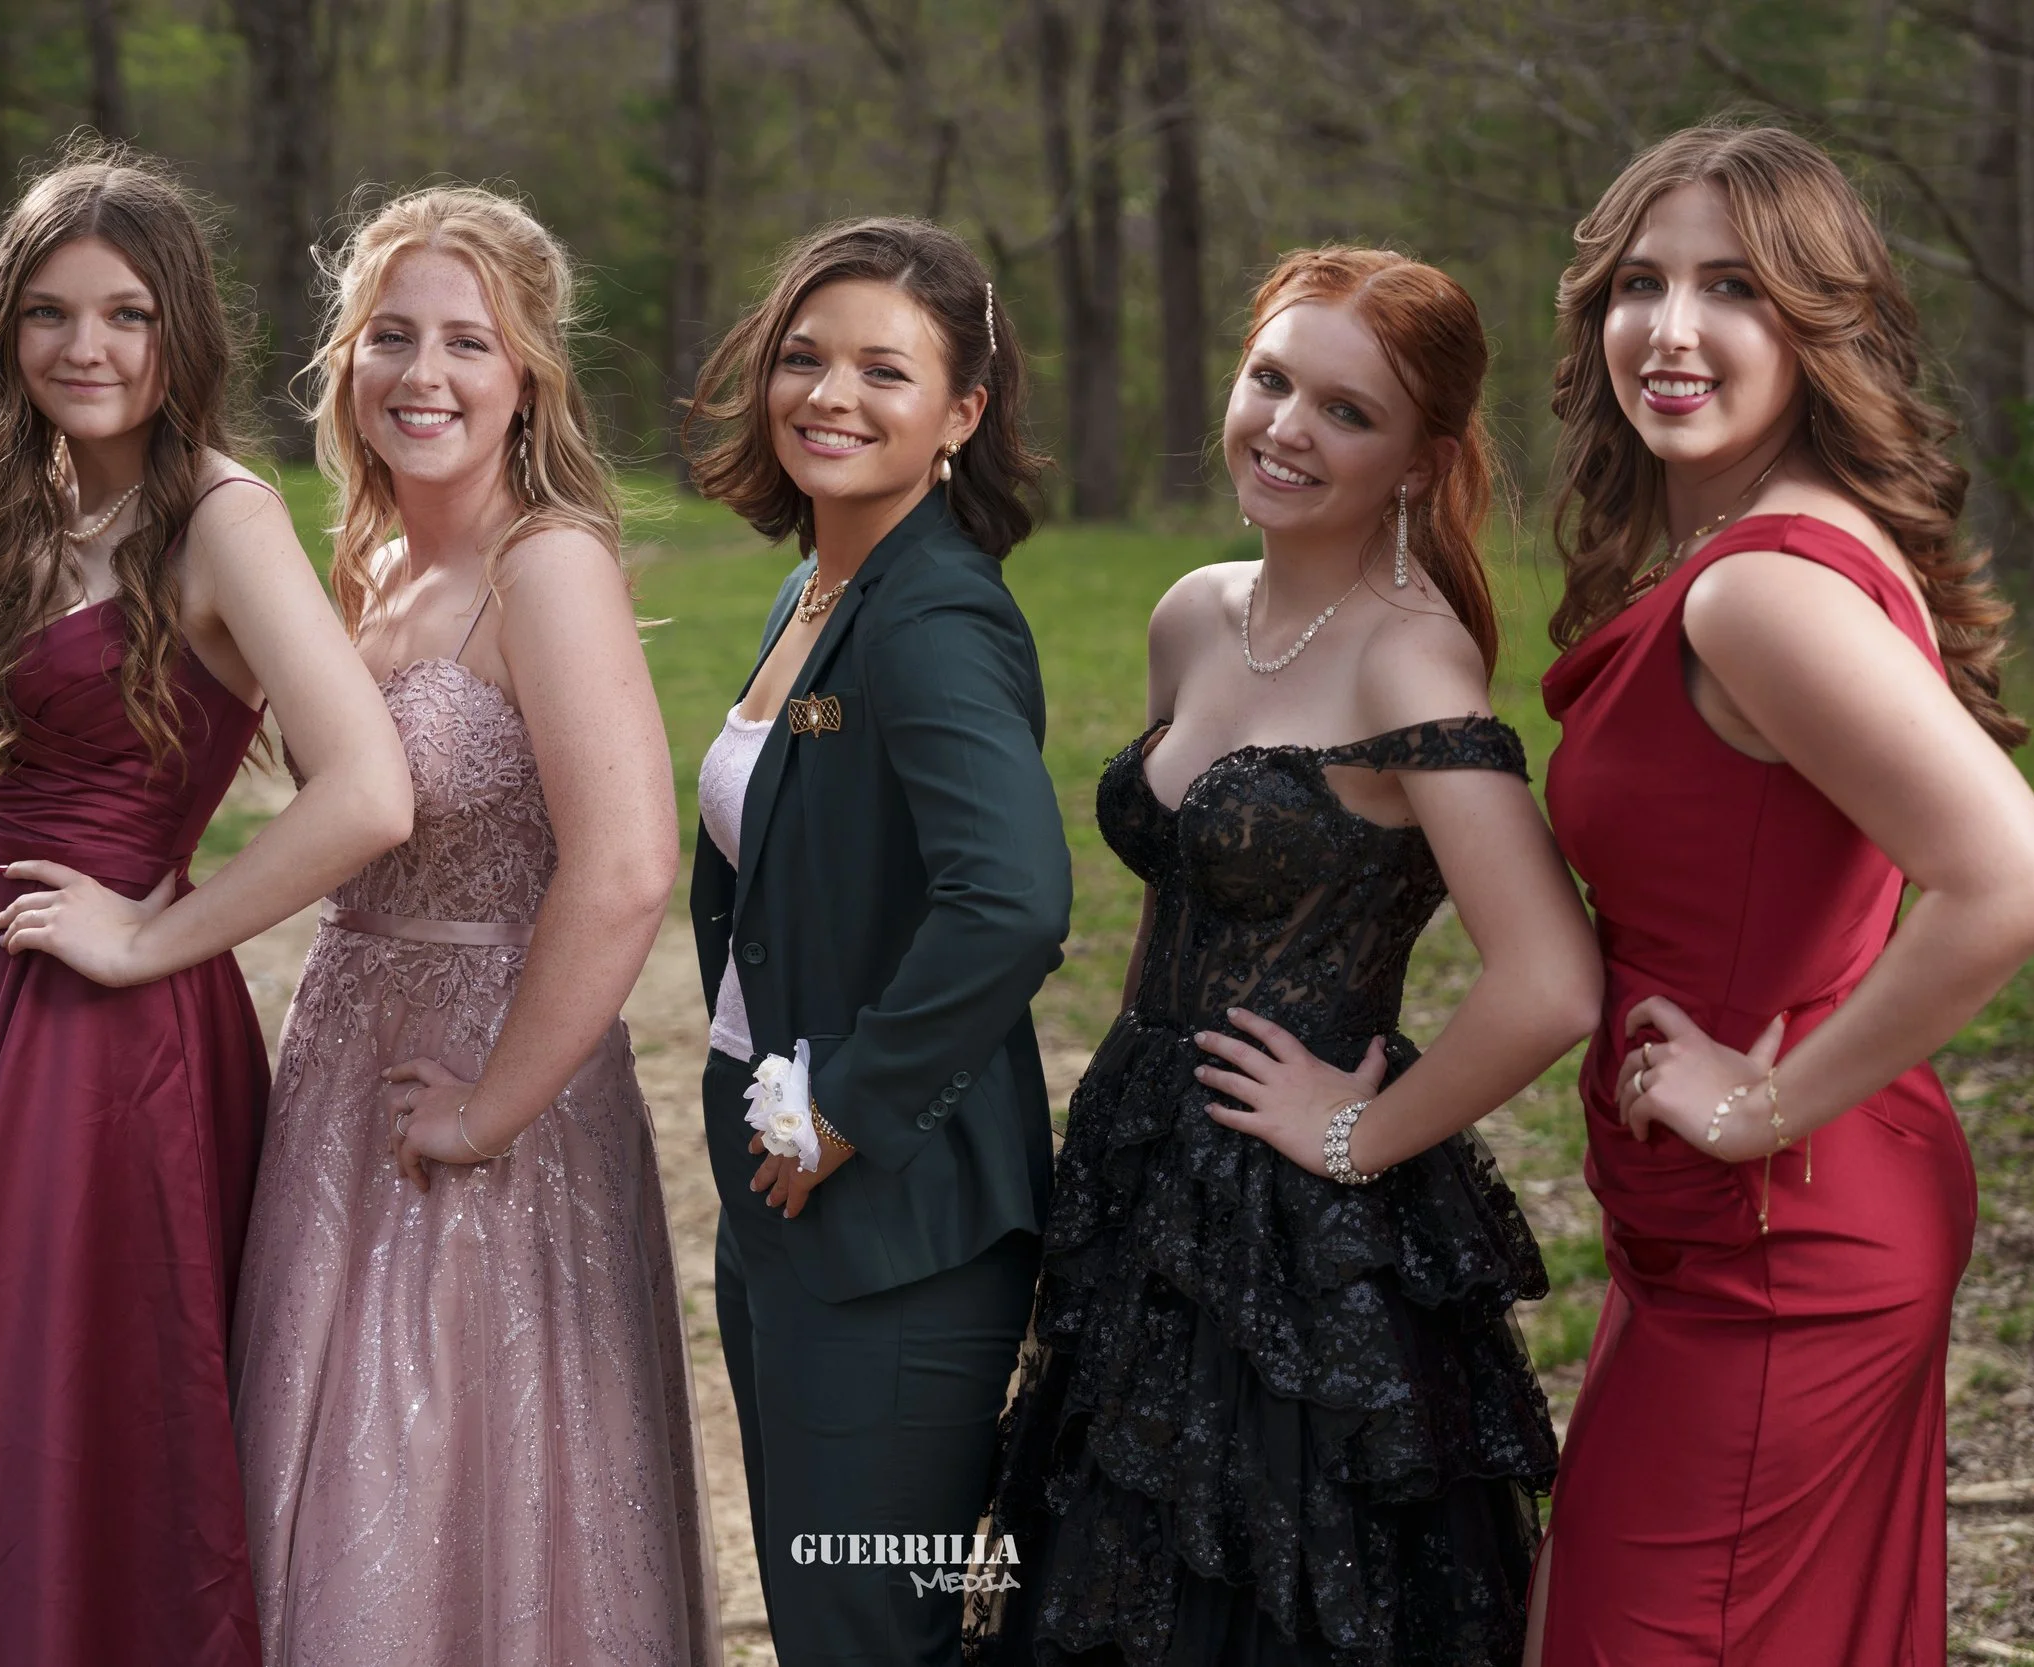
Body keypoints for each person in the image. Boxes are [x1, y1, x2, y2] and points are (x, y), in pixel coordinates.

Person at [0, 145, 413, 1667]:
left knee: (38, 1406)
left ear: (181, 332)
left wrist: (147, 933)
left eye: (125, 313)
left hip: (101, 1038)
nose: (86, 349)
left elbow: (368, 791)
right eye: (50, 313)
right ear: (6, 330)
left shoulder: (223, 524)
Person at [971, 247, 1600, 1666]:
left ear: (1423, 461)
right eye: (1271, 380)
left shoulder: (1408, 663)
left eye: (1346, 411)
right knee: (1103, 1564)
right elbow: (1181, 872)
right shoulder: (1195, 610)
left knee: (1262, 1599)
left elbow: (1551, 977)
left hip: (1294, 1230)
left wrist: (1363, 1132)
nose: (1285, 427)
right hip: (1142, 1165)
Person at [1530, 123, 2034, 1666]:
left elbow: (2015, 880)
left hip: (1782, 1235)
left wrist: (1765, 1105)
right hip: (1760, 1221)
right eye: (1642, 282)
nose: (1674, 329)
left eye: (1736, 289)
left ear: (1818, 326)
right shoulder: (1766, 545)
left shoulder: (1761, 586)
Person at [226, 184, 716, 1666]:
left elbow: (628, 866)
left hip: (492, 1088)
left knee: (454, 1460)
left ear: (527, 378)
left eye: (466, 343)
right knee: (325, 1449)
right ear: (345, 363)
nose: (421, 375)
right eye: (390, 338)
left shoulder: (542, 566)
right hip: (340, 1068)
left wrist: (495, 1107)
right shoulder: (359, 568)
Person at [678, 216, 1070, 1665]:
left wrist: (849, 1103)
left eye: (882, 370)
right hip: (787, 1196)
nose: (828, 394)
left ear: (962, 415)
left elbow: (1015, 897)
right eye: (803, 356)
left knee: (865, 1632)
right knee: (823, 1617)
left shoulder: (937, 617)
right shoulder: (817, 588)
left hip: (898, 1232)